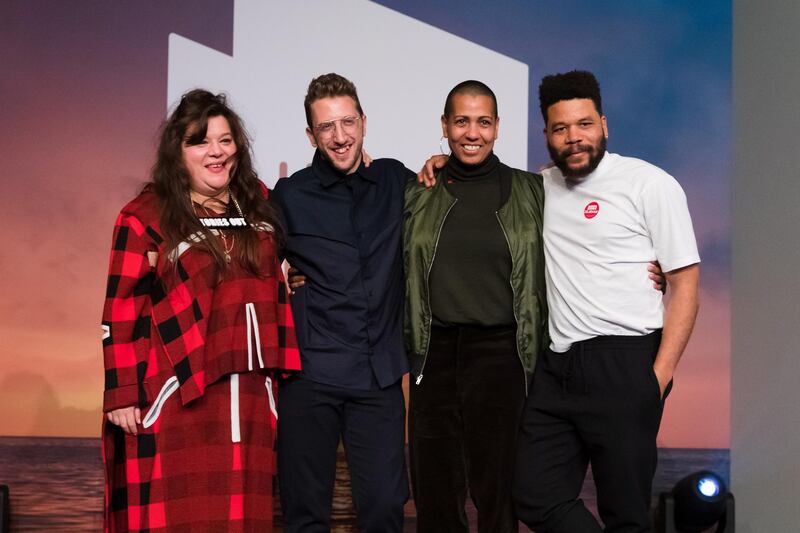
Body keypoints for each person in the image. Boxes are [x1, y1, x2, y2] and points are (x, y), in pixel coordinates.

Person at [101, 89, 300, 532]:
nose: (216, 152)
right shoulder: (144, 216)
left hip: (249, 395)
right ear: (178, 150)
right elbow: (121, 310)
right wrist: (122, 394)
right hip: (178, 391)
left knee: (244, 520)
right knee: (179, 517)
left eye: (226, 140)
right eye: (201, 141)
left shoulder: (258, 205)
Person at [512, 70, 701, 533]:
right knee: (534, 497)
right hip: (556, 367)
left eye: (584, 124)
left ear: (604, 124)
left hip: (625, 361)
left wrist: (657, 378)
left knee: (626, 515)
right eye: (560, 128)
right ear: (547, 135)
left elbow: (686, 283)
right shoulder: (539, 188)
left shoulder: (649, 184)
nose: (573, 138)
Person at [404, 80, 547, 533]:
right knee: (437, 498)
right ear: (444, 126)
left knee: (498, 496)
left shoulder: (532, 192)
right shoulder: (417, 191)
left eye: (483, 122)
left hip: (503, 355)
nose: (472, 132)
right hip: (435, 355)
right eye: (461, 121)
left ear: (498, 127)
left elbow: (584, 244)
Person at [271, 73, 411, 533]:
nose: (340, 136)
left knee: (386, 508)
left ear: (364, 123)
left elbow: (450, 206)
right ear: (311, 135)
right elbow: (247, 258)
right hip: (310, 374)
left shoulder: (396, 180)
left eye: (347, 122)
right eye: (327, 127)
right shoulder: (289, 196)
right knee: (304, 511)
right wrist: (283, 279)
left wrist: (438, 162)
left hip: (379, 376)